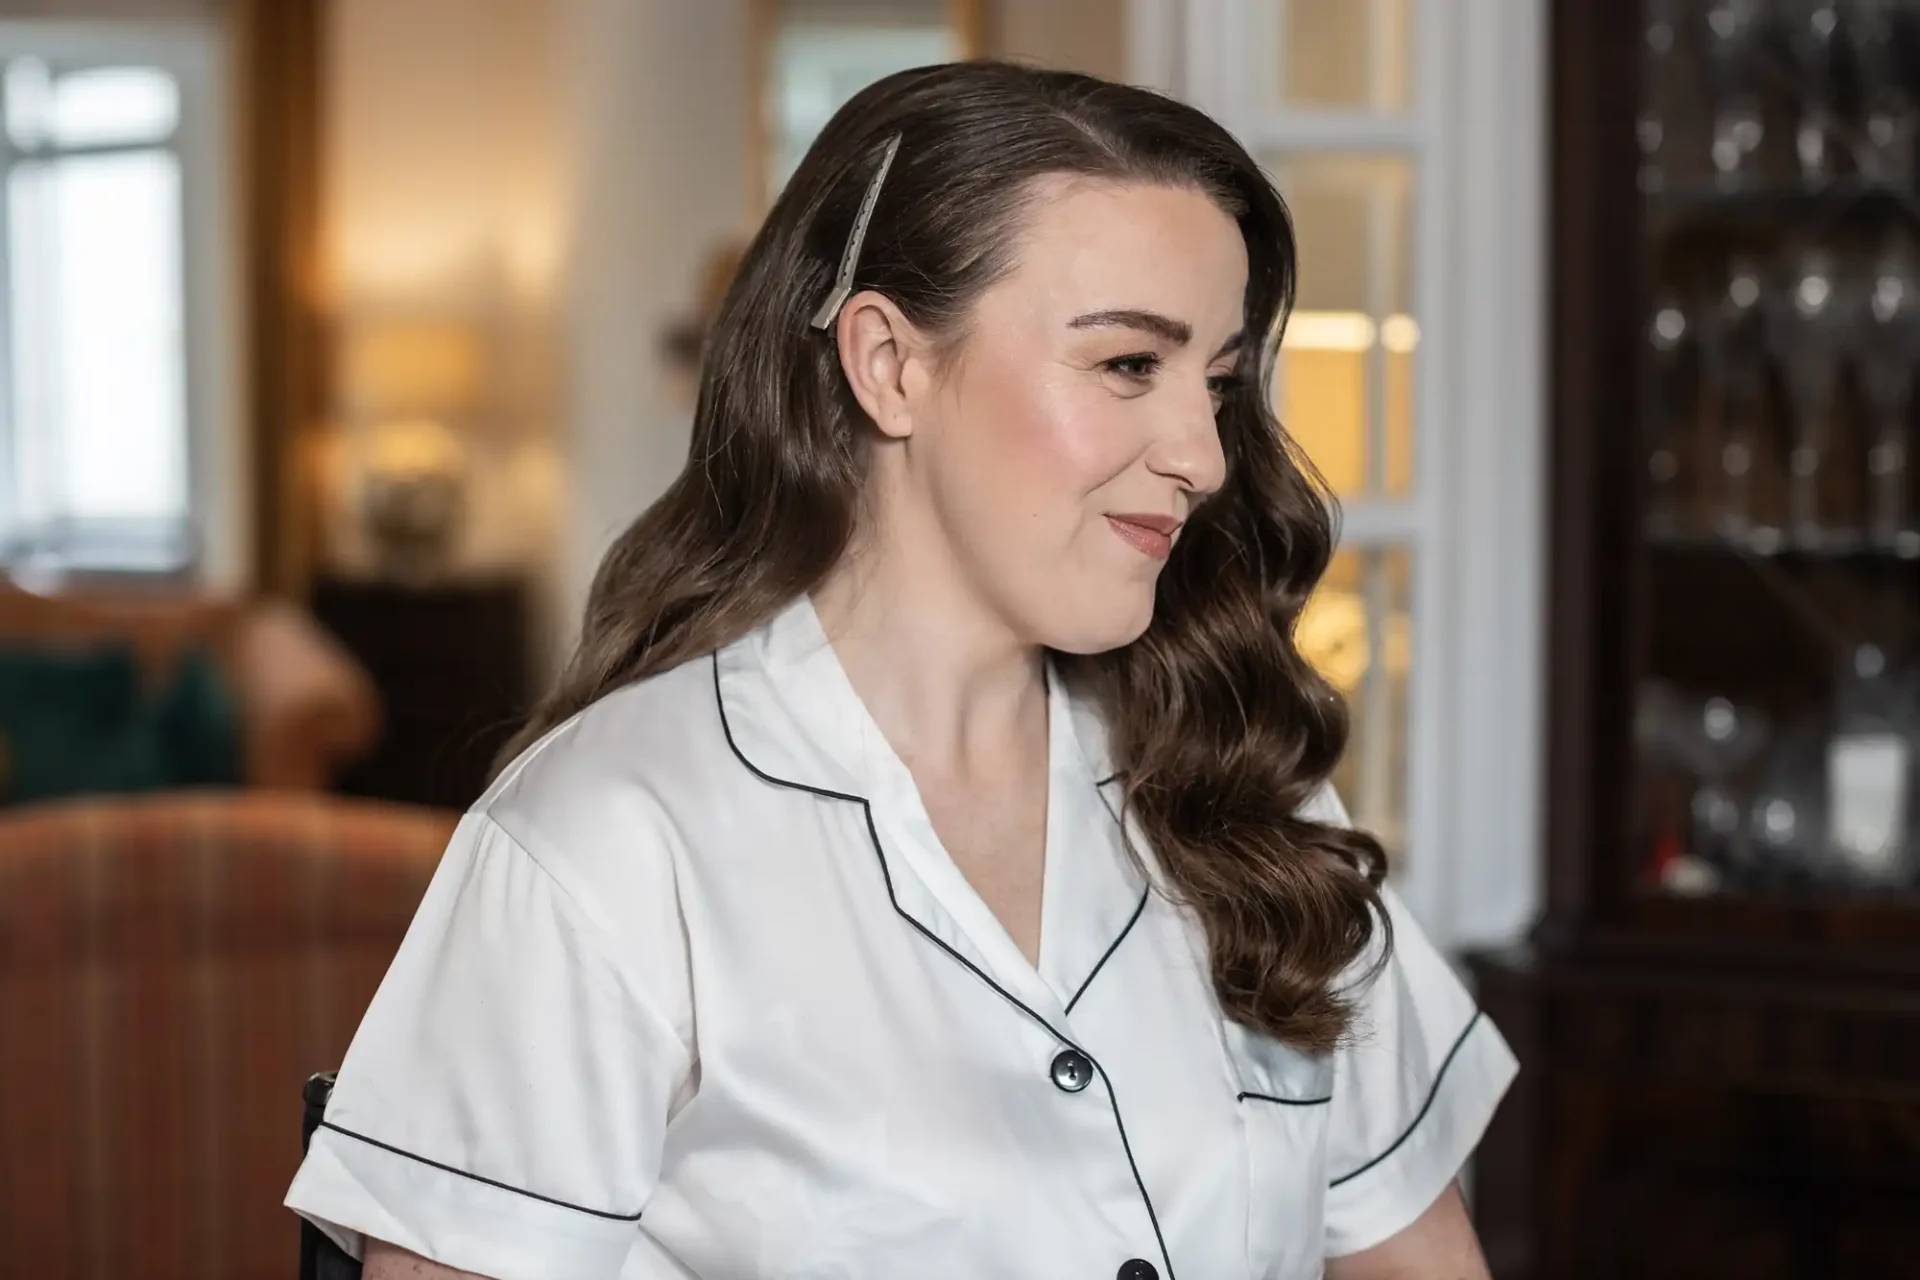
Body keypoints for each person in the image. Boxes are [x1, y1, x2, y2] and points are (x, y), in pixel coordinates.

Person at [285, 60, 1517, 1280]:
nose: (1201, 451)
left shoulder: (1251, 793)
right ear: (889, 363)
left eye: (1220, 381)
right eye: (1129, 365)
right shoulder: (609, 840)